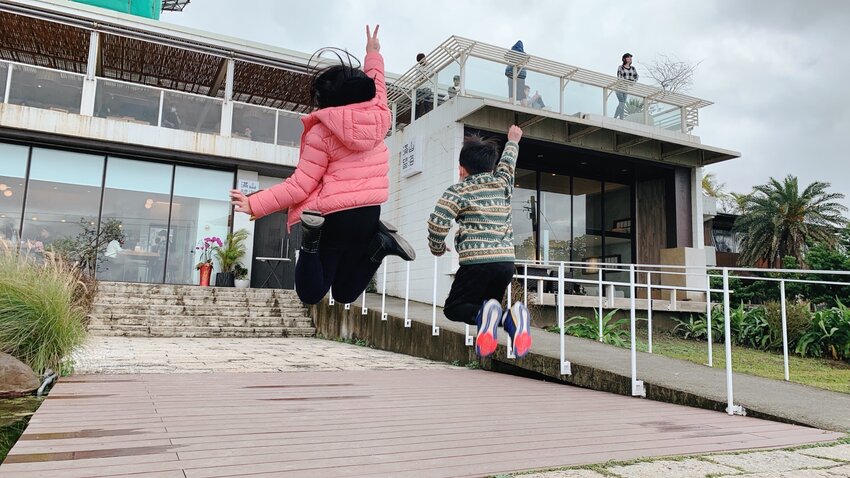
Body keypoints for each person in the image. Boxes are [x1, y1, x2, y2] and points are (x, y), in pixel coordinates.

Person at [230, 25, 415, 305]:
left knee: (311, 292)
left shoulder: (324, 131)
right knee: (344, 294)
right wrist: (373, 54)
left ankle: (311, 239)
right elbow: (377, 85)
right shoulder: (378, 115)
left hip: (334, 217)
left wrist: (256, 204)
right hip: (368, 214)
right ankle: (380, 246)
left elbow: (301, 184)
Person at [427, 125, 532, 358]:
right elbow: (508, 163)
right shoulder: (503, 183)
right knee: (487, 311)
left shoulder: (459, 190)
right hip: (505, 264)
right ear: (491, 167)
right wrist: (513, 140)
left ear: (461, 169)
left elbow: (437, 221)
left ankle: (500, 316)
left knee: (455, 309)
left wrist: (436, 247)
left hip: (476, 263)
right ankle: (512, 318)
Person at [615, 53, 639, 120]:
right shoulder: (620, 67)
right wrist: (629, 80)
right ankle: (620, 118)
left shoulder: (633, 68)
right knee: (622, 103)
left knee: (622, 104)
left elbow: (636, 76)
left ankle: (617, 118)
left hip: (626, 88)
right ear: (624, 59)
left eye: (631, 57)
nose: (630, 58)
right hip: (619, 87)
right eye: (628, 57)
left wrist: (633, 82)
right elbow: (620, 78)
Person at [415, 53, 434, 118]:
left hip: (427, 87)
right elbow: (417, 79)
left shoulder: (431, 66)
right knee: (417, 103)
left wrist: (422, 78)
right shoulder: (418, 68)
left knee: (426, 102)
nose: (421, 63)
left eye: (421, 61)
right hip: (420, 87)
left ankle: (427, 115)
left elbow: (432, 76)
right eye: (419, 62)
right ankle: (416, 118)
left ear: (424, 58)